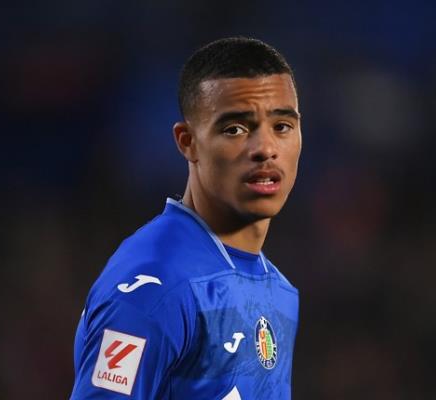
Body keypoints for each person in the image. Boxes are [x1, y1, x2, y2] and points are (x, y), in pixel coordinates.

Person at [70, 37, 302, 399]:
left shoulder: (278, 289)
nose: (265, 149)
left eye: (282, 127)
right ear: (187, 141)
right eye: (235, 129)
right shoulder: (157, 286)